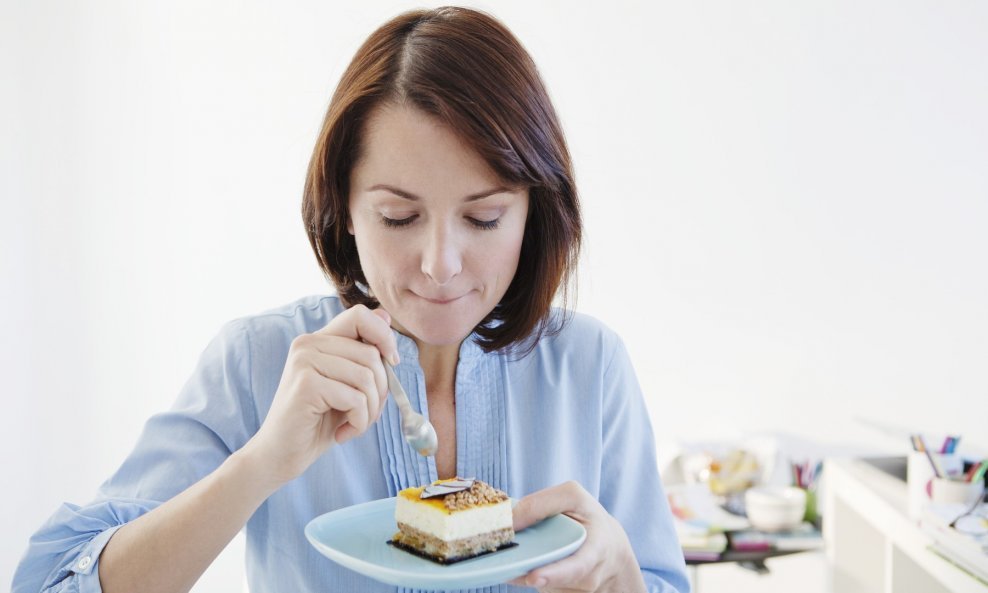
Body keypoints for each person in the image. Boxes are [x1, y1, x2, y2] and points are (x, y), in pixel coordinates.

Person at [13, 7, 688, 593]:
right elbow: (51, 580)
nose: (440, 265)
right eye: (399, 217)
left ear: (534, 212)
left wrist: (621, 569)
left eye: (483, 218)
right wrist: (261, 463)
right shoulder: (260, 362)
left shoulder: (590, 366)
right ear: (345, 210)